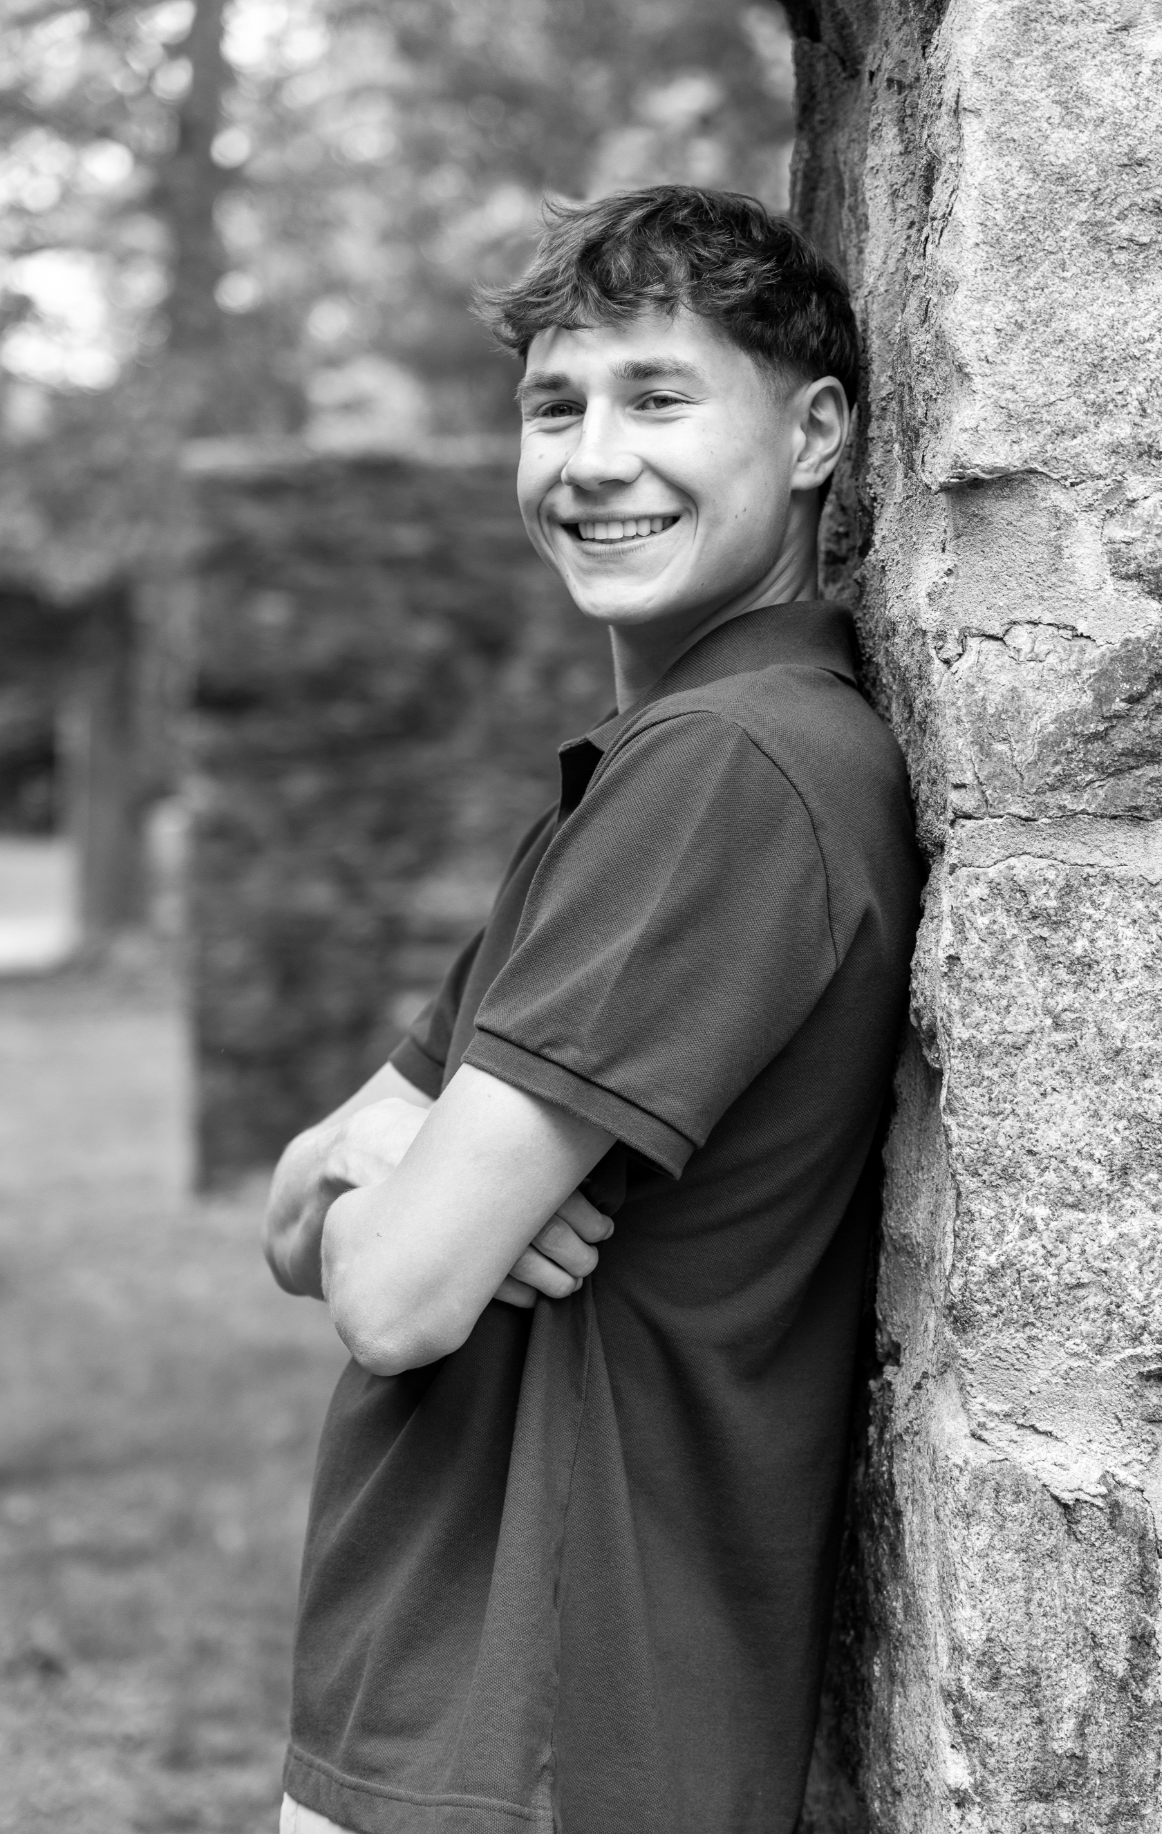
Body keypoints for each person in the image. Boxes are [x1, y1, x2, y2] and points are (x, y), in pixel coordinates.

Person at [265, 184, 922, 1834]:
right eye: (554, 405)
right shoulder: (638, 773)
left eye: (658, 397)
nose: (591, 461)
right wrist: (372, 1167)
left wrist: (391, 1192)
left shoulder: (730, 771)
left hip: (543, 1726)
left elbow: (399, 1295)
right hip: (467, 1706)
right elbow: (306, 1197)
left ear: (817, 430)